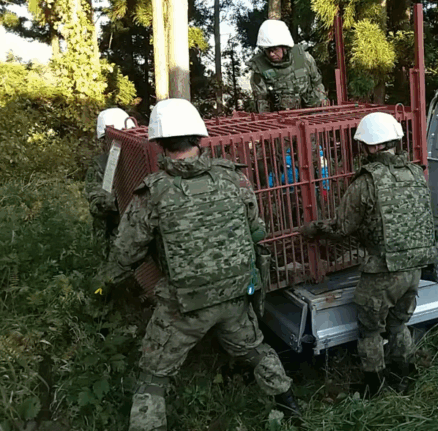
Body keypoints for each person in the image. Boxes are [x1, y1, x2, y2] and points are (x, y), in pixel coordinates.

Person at [99, 98, 300, 431]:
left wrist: (105, 282)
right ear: (198, 137)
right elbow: (256, 229)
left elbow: (126, 253)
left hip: (185, 306)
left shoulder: (153, 193)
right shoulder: (234, 178)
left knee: (153, 375)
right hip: (235, 296)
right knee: (255, 350)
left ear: (159, 143)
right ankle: (291, 408)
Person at [299, 112, 438, 396]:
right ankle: (406, 377)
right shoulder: (415, 173)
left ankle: (374, 387)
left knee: (371, 331)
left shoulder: (366, 182)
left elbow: (342, 227)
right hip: (415, 268)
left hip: (382, 272)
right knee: (399, 325)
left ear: (372, 147)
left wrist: (312, 229)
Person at [84, 108, 136, 259]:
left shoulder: (138, 161)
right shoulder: (100, 165)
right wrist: (119, 198)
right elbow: (96, 204)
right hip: (112, 239)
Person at [248, 19, 328, 113]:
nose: (271, 54)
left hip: (311, 112)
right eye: (268, 50)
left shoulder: (304, 57)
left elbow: (317, 84)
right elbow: (262, 101)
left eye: (274, 49)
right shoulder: (259, 67)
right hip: (281, 118)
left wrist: (322, 110)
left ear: (284, 47)